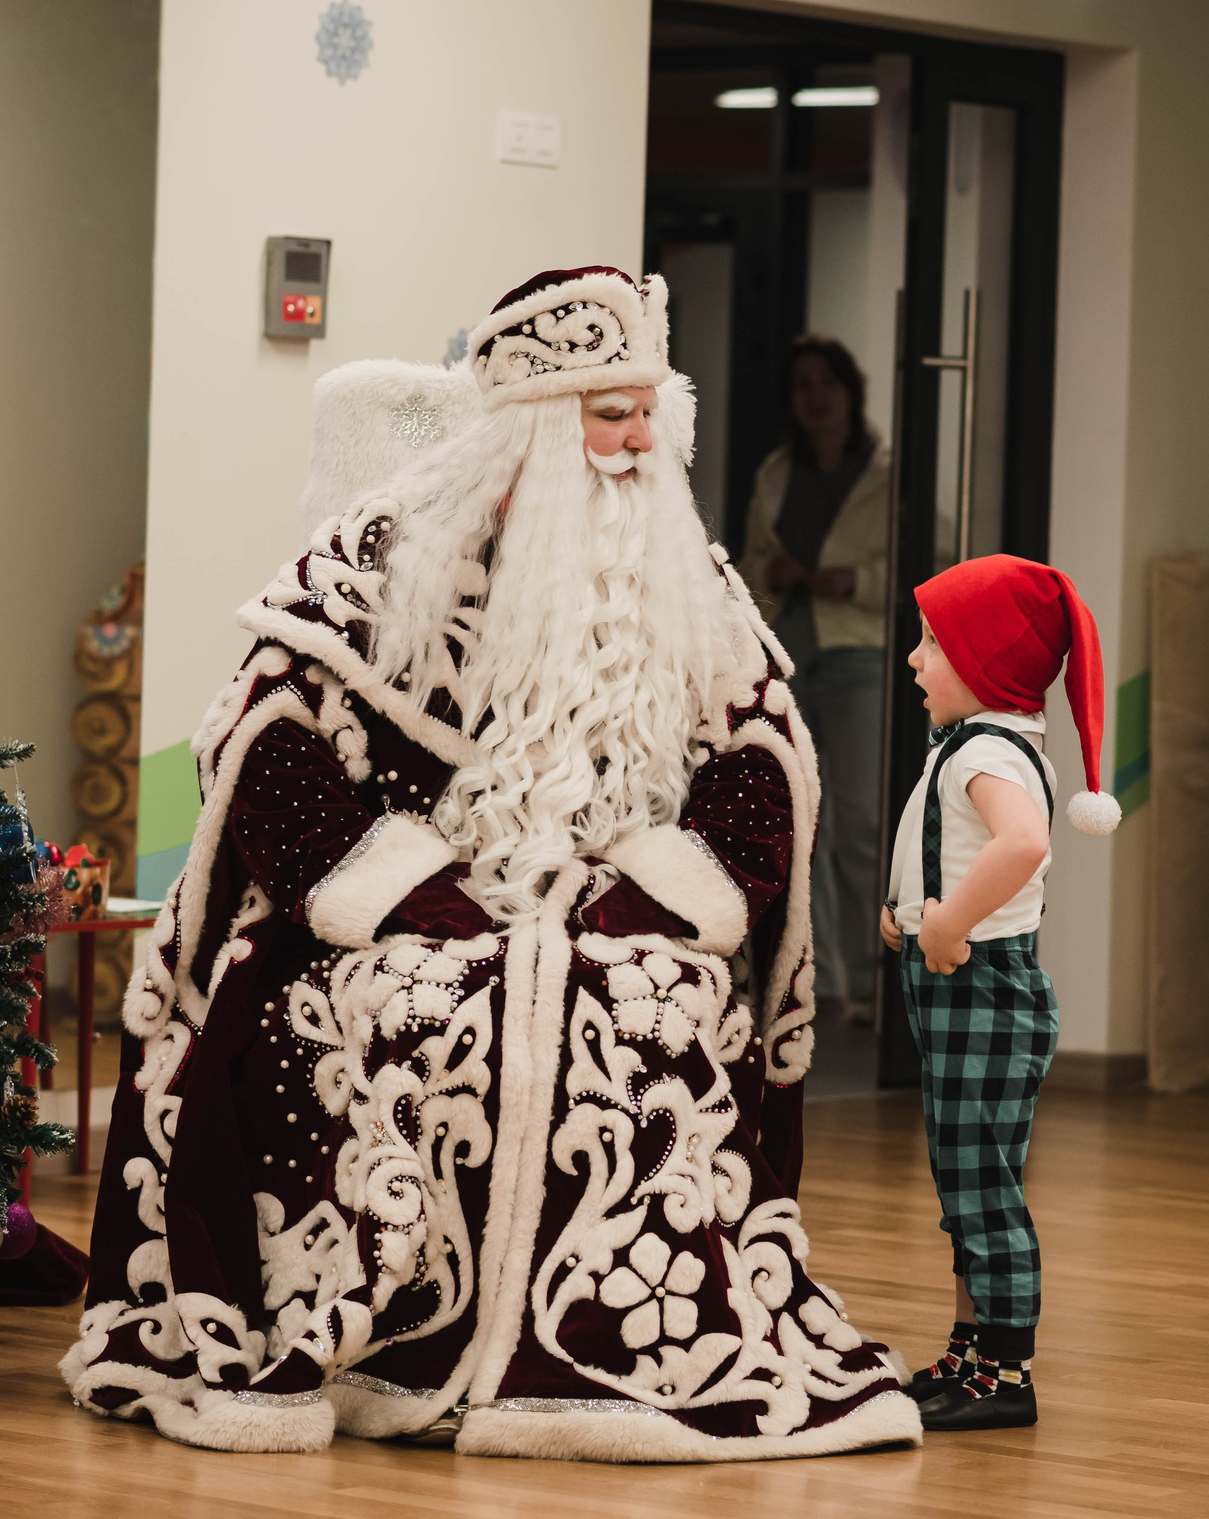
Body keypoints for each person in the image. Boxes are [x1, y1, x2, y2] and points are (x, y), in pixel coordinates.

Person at [63, 266, 920, 1460]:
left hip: (626, 906)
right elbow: (260, 736)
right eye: (606, 415)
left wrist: (670, 890)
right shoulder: (379, 556)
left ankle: (626, 1351)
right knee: (413, 1011)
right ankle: (394, 1335)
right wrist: (387, 885)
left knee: (642, 1014)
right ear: (530, 422)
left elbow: (767, 754)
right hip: (393, 914)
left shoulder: (695, 577)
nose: (636, 442)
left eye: (645, 412)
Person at [879, 553, 1119, 1430]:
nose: (913, 658)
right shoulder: (980, 744)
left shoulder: (985, 749)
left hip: (979, 987)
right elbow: (955, 844)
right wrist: (910, 910)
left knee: (983, 1183)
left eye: (933, 643)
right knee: (965, 1176)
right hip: (959, 987)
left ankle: (1007, 1372)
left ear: (982, 664)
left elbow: (1021, 846)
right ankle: (970, 1346)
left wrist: (947, 925)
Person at [739, 335, 892, 1024]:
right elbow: (748, 563)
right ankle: (823, 979)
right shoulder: (775, 471)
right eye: (801, 383)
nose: (815, 394)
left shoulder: (886, 472)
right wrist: (769, 577)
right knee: (808, 820)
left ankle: (870, 978)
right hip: (792, 649)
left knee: (859, 820)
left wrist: (853, 581)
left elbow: (925, 564)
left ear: (850, 391)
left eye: (827, 381)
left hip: (860, 653)